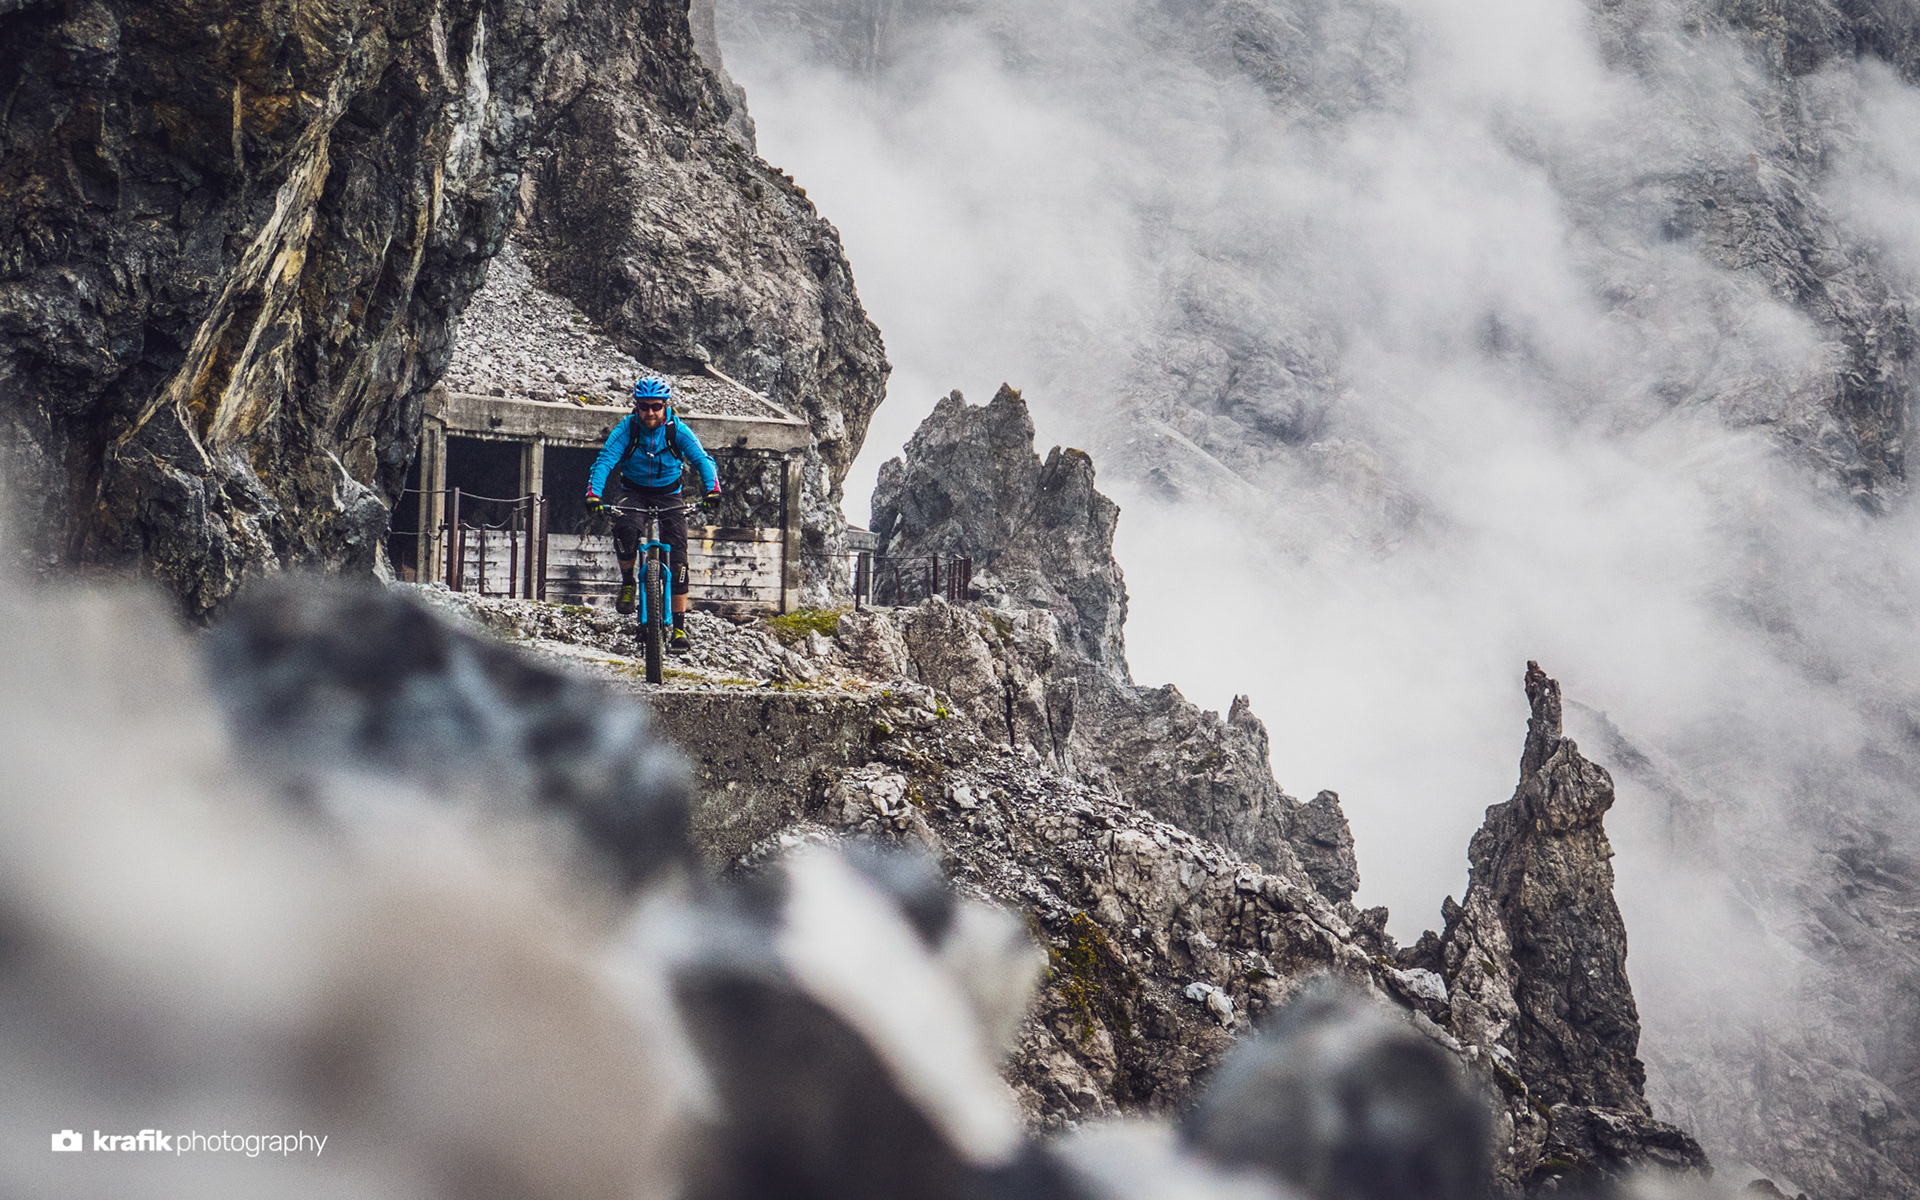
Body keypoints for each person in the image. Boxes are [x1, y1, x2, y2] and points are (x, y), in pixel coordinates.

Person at [586, 375, 720, 652]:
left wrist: (712, 490)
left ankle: (680, 628)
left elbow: (701, 459)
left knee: (679, 559)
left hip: (670, 493)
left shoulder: (676, 430)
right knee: (625, 530)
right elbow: (605, 460)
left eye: (656, 407)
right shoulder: (627, 429)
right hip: (633, 491)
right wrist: (593, 494)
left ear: (665, 406)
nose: (650, 413)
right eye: (644, 407)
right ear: (636, 406)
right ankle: (627, 582)